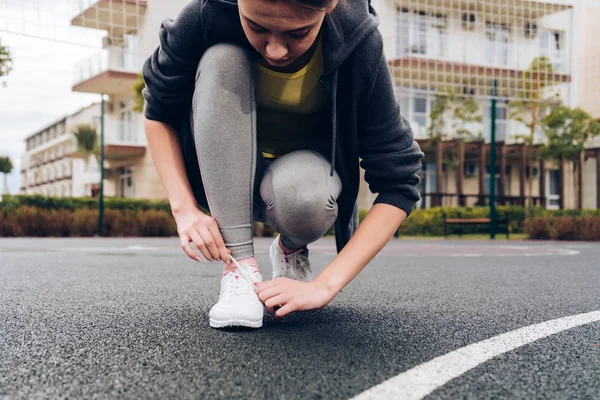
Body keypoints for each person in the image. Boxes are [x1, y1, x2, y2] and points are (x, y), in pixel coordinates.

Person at [142, 0, 423, 329]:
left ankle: (291, 250)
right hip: (221, 182)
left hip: (300, 183)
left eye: (298, 32)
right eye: (257, 27)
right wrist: (184, 209)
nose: (275, 51)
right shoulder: (206, 15)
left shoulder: (358, 40)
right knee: (222, 58)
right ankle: (240, 269)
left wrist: (324, 287)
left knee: (305, 195)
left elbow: (400, 183)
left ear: (328, 8)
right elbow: (157, 113)